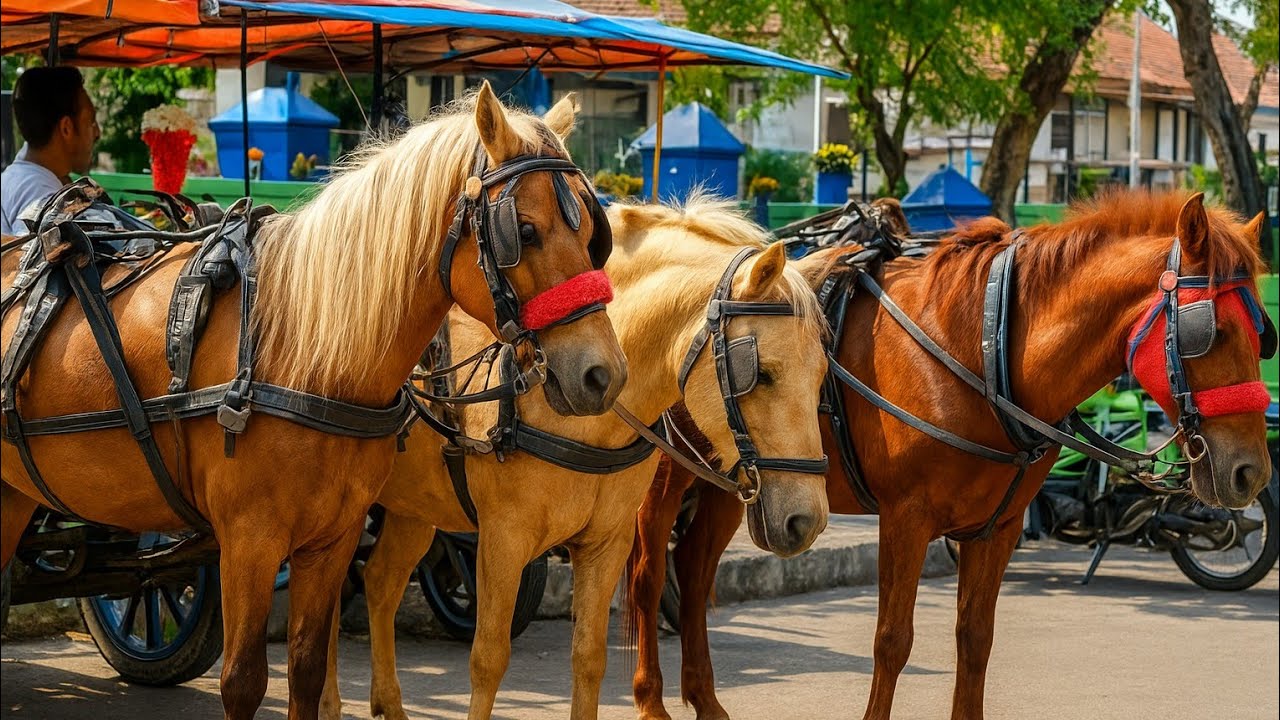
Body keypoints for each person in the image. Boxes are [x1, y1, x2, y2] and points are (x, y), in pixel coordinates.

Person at [1, 66, 99, 236]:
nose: (97, 133)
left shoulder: (25, 177)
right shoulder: (38, 194)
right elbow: (38, 260)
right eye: (90, 122)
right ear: (66, 128)